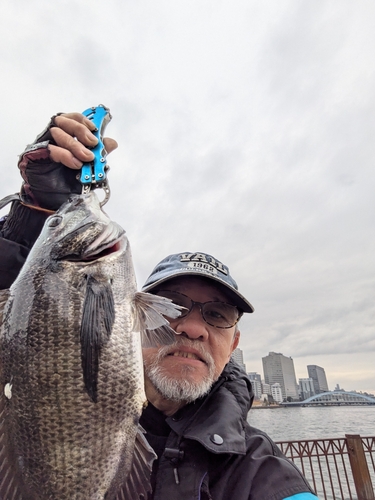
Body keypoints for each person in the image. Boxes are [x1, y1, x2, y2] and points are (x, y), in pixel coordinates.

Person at [0, 111, 319, 500]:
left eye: (217, 315)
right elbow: (31, 321)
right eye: (171, 305)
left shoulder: (260, 472)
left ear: (233, 344)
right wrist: (34, 217)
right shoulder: (35, 397)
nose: (191, 327)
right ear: (132, 318)